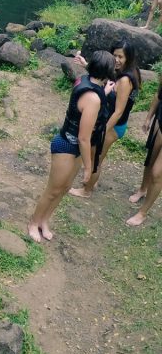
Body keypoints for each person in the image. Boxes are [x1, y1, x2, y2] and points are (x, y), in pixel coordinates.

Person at [27, 50, 115, 242]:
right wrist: (89, 167)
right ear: (106, 71)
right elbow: (84, 138)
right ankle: (34, 222)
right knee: (53, 190)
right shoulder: (92, 99)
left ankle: (44, 221)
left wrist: (104, 89)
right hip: (67, 145)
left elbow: (94, 87)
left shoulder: (87, 81)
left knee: (65, 187)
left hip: (74, 147)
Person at [69, 41, 140, 198]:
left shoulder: (124, 80)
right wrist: (86, 64)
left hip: (113, 126)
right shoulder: (123, 71)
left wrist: (103, 130)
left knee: (95, 159)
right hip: (112, 124)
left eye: (120, 56)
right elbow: (104, 75)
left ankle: (86, 190)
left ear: (128, 57)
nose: (116, 60)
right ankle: (93, 182)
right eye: (114, 55)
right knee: (98, 157)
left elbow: (119, 111)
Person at [127, 79, 162, 226]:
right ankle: (142, 189)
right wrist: (148, 118)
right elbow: (159, 95)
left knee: (157, 173)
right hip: (160, 122)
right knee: (150, 160)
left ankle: (143, 213)